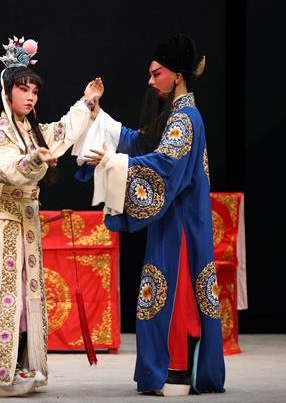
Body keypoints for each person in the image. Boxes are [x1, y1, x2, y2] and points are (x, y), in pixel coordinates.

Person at [75, 34, 225, 396]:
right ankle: (171, 370)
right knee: (160, 294)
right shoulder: (174, 116)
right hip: (173, 221)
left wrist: (114, 163)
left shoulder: (185, 119)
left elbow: (165, 165)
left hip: (183, 225)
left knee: (176, 295)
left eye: (157, 73)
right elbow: (141, 142)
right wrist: (96, 116)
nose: (151, 80)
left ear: (177, 76)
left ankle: (178, 371)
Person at [0, 35, 104, 397]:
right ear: (7, 93)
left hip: (23, 224)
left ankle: (22, 365)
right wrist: (35, 159)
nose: (30, 97)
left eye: (34, 91)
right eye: (23, 89)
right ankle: (3, 375)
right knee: (3, 299)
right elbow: (11, 169)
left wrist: (88, 101)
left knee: (25, 300)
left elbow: (63, 132)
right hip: (0, 224)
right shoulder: (0, 134)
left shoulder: (32, 130)